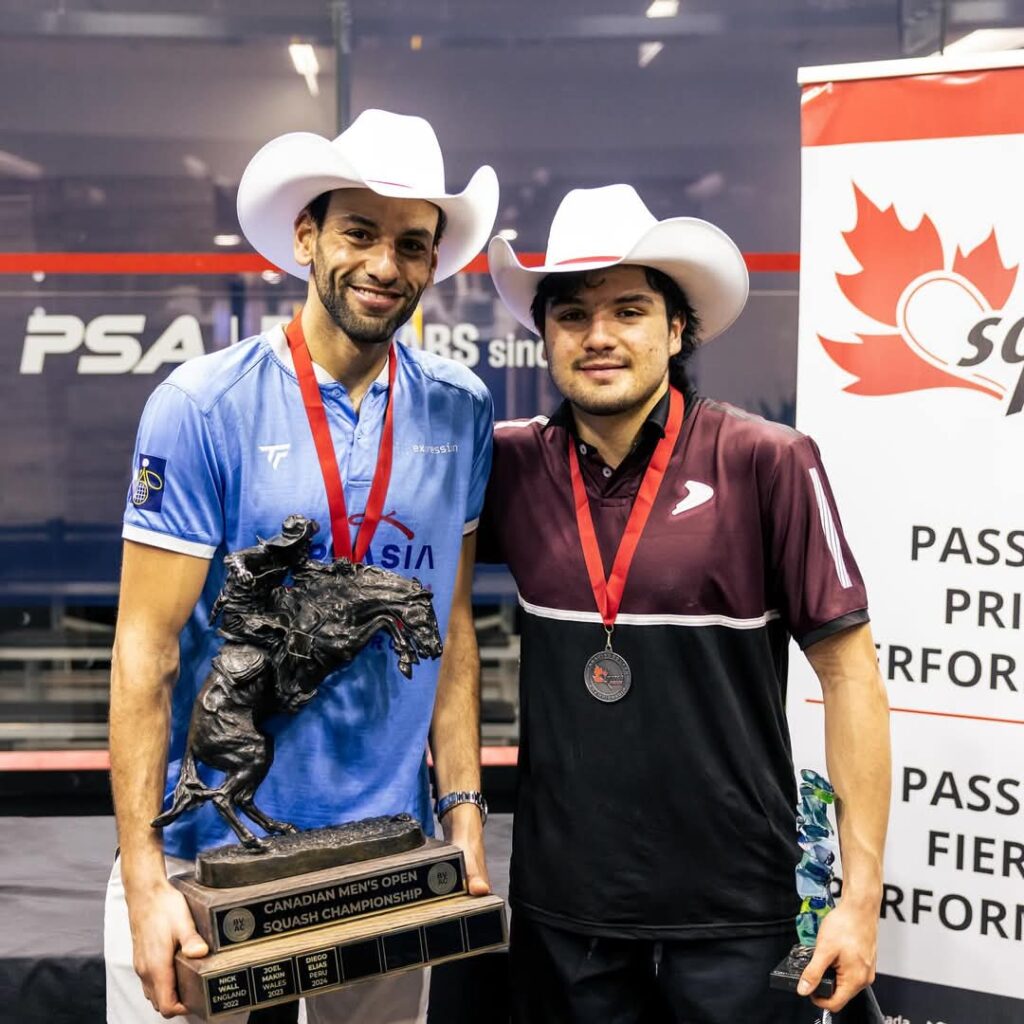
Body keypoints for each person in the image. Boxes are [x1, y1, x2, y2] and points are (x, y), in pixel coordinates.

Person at [105, 109, 498, 1024]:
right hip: (206, 854)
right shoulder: (202, 406)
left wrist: (465, 812)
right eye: (358, 232)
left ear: (434, 262)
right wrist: (142, 879)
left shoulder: (462, 411)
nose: (383, 265)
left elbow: (455, 625)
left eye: (411, 243)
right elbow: (144, 651)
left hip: (384, 848)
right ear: (308, 236)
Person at [478, 184, 891, 1023]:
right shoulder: (509, 466)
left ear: (675, 329)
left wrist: (859, 896)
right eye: (571, 315)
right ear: (544, 338)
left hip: (734, 909)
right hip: (566, 913)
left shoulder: (767, 461)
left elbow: (852, 678)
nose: (598, 336)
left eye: (628, 310)